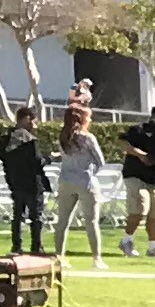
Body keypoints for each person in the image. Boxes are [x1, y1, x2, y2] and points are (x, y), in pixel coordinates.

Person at [47, 106, 107, 260]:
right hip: (85, 181)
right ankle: (96, 258)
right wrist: (91, 172)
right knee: (91, 222)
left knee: (62, 222)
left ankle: (59, 255)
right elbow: (100, 161)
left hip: (66, 181)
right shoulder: (88, 138)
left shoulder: (63, 137)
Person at [0, 105, 50, 258]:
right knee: (36, 216)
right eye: (33, 121)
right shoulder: (29, 140)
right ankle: (36, 247)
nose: (34, 125)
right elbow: (37, 162)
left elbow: (5, 160)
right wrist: (49, 159)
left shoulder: (6, 139)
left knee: (18, 216)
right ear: (26, 119)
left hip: (15, 182)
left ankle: (16, 245)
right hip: (32, 183)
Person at [114, 104, 155, 256]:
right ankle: (126, 241)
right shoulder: (138, 130)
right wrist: (140, 154)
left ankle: (153, 247)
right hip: (134, 174)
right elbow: (122, 143)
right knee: (141, 207)